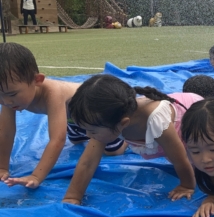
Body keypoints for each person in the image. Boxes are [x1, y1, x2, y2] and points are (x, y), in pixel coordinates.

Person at [0, 43, 126, 189]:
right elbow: (6, 133)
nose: (5, 101)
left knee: (113, 151)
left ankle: (125, 139)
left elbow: (57, 140)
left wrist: (36, 176)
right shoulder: (8, 98)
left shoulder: (53, 93)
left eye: (12, 94)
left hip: (96, 113)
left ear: (37, 80)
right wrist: (2, 167)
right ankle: (84, 131)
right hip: (73, 119)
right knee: (76, 140)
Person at [62, 75, 201, 205]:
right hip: (168, 138)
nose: (88, 135)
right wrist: (73, 197)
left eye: (92, 131)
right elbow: (88, 162)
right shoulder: (109, 119)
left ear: (123, 123)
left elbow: (180, 158)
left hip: (197, 125)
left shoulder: (156, 120)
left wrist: (186, 185)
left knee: (203, 166)